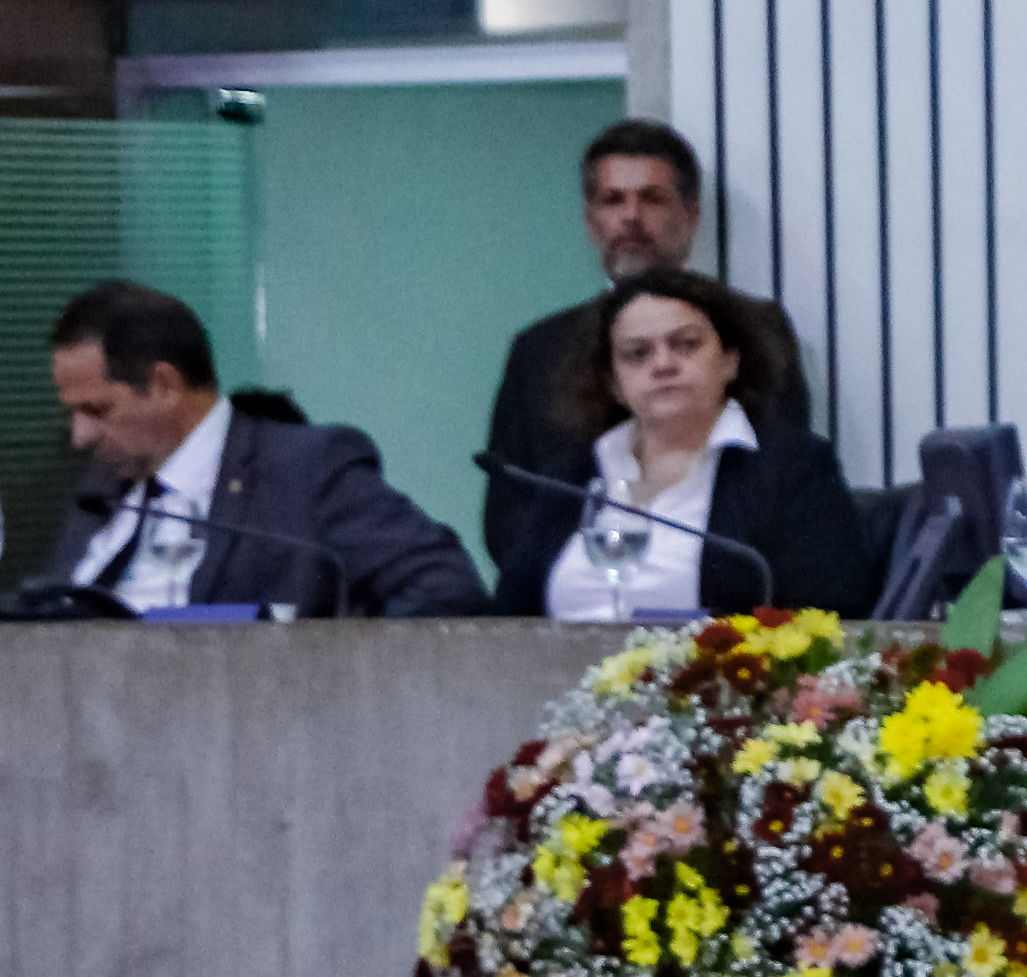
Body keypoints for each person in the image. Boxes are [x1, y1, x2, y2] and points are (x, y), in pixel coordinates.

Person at [481, 119, 813, 607]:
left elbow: (786, 478)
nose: (631, 217)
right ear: (591, 220)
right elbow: (509, 515)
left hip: (719, 609)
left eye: (652, 199)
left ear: (691, 215)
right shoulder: (541, 348)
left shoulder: (755, 327)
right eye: (613, 201)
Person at [37, 280, 487, 617]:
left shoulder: (304, 469)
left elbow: (445, 586)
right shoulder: (103, 490)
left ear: (164, 385)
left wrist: (327, 667)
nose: (81, 436)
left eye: (97, 410)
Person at [494, 267, 881, 619]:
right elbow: (506, 620)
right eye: (637, 354)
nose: (663, 364)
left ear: (730, 361)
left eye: (686, 345)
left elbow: (830, 611)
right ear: (613, 383)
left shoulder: (791, 467)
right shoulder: (573, 476)